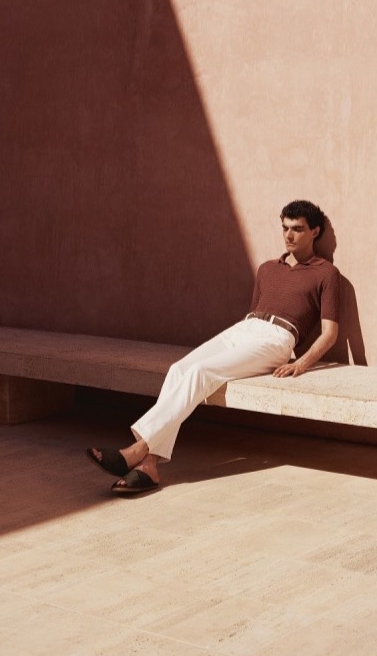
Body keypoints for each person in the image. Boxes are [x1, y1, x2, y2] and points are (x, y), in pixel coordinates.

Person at [86, 200, 341, 494]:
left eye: (297, 229)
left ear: (315, 232)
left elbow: (330, 332)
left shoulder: (326, 273)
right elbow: (255, 311)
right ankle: (149, 466)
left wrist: (301, 363)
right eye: (285, 228)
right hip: (245, 327)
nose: (289, 235)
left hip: (277, 338)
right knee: (179, 369)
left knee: (200, 372)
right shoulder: (268, 268)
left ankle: (135, 449)